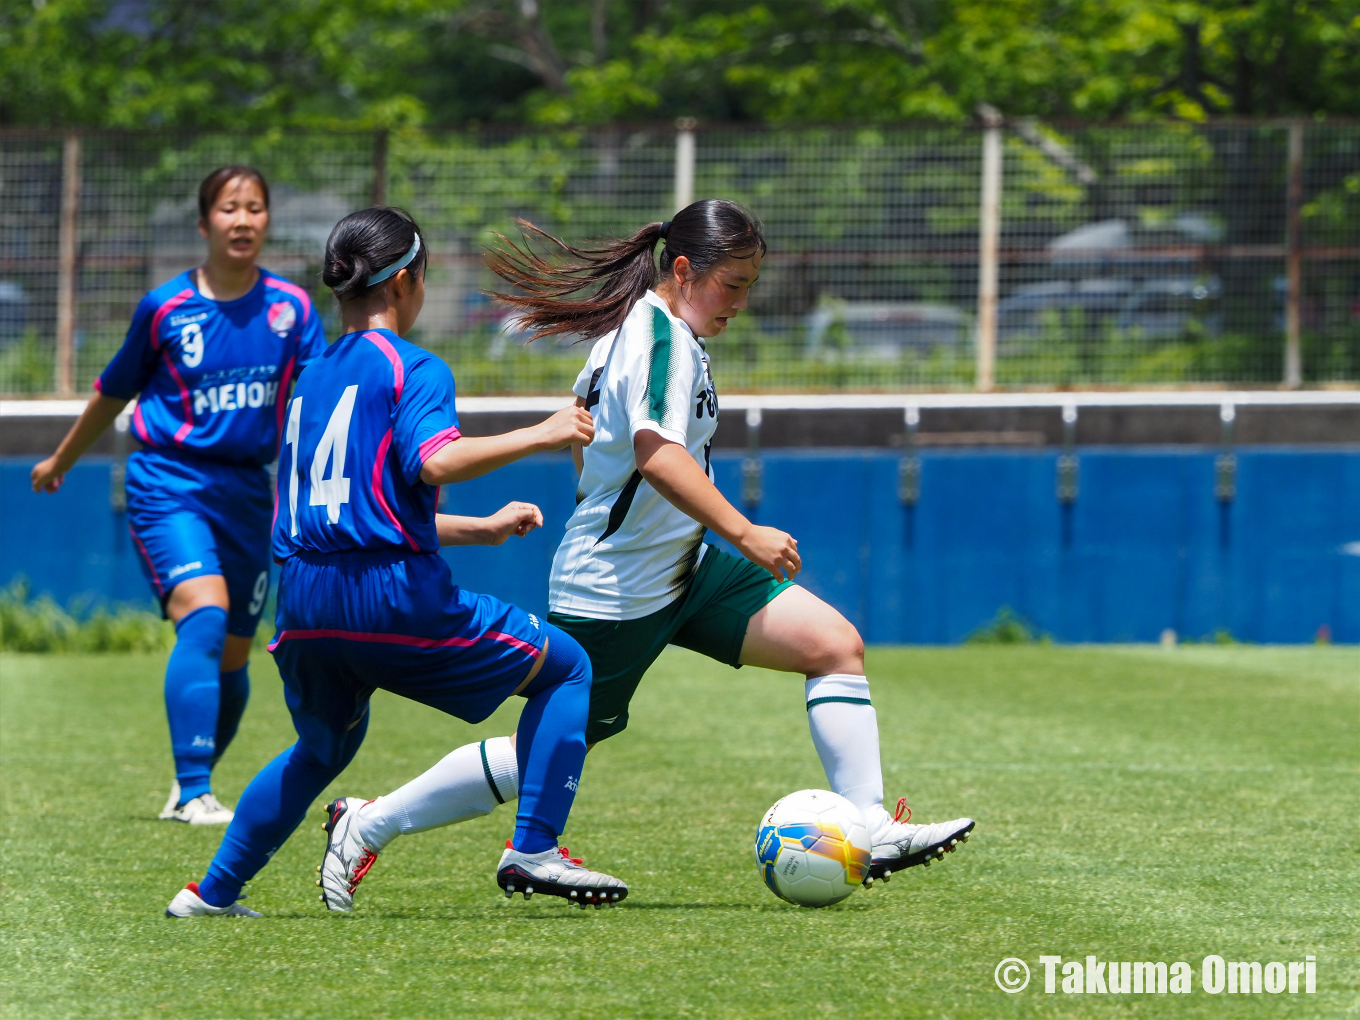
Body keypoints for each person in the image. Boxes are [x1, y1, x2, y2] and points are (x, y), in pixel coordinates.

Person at [312, 200, 974, 909]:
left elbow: (585, 435)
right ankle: (368, 821)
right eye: (733, 284)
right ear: (683, 270)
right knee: (547, 751)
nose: (740, 303)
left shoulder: (641, 336)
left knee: (834, 644)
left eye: (751, 285)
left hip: (682, 569)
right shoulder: (658, 340)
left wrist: (616, 505)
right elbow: (657, 456)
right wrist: (742, 532)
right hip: (619, 589)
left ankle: (869, 825)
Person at [165, 206, 627, 918]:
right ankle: (534, 846)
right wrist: (544, 429)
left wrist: (481, 526)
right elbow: (434, 457)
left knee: (318, 751)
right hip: (390, 599)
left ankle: (210, 894)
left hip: (308, 600)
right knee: (567, 668)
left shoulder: (308, 377)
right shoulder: (411, 366)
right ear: (408, 280)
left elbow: (360, 508)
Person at [32, 166, 326, 825]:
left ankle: (190, 785)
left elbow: (318, 398)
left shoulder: (294, 309)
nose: (243, 220)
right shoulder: (166, 307)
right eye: (229, 208)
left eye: (254, 208)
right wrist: (62, 458)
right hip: (169, 481)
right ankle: (194, 790)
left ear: (267, 222)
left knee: (234, 652)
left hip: (250, 490)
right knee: (206, 613)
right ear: (204, 225)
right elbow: (114, 389)